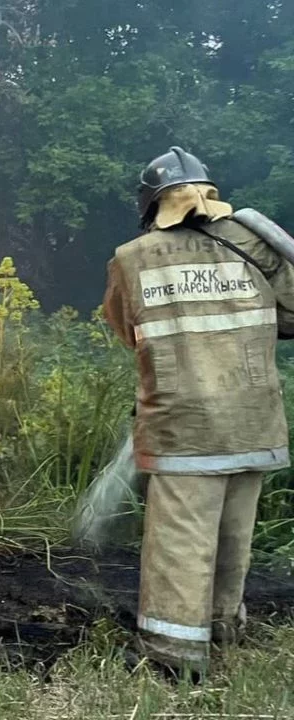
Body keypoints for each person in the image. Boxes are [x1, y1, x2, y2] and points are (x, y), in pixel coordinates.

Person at [103, 146, 294, 677]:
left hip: (183, 426)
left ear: (151, 206)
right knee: (234, 535)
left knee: (181, 541)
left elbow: (126, 329)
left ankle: (174, 653)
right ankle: (222, 628)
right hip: (253, 419)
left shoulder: (132, 257)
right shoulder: (254, 242)